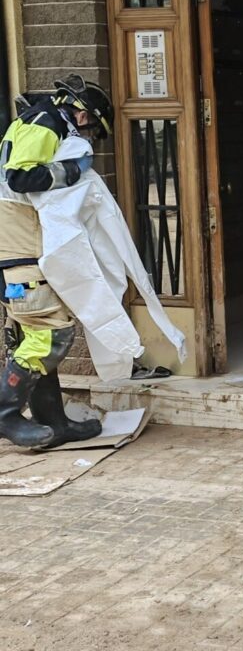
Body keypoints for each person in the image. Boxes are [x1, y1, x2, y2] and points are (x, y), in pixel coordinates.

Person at [0, 75, 113, 448]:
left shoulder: (37, 119)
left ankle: (53, 422)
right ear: (83, 117)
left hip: (20, 239)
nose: (88, 136)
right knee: (50, 333)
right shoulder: (46, 124)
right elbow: (20, 177)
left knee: (33, 332)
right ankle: (4, 414)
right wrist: (72, 171)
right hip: (16, 243)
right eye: (93, 128)